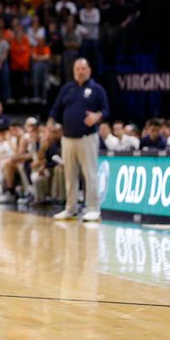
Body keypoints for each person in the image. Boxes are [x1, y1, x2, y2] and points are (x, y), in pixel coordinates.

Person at [47, 58, 109, 222]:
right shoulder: (67, 89)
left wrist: (97, 116)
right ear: (74, 71)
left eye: (83, 68)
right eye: (77, 69)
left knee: (90, 174)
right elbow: (55, 109)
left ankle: (93, 209)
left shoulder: (96, 89)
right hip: (67, 139)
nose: (80, 71)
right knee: (70, 175)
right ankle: (70, 209)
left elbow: (106, 110)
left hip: (87, 138)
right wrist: (50, 122)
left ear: (89, 70)